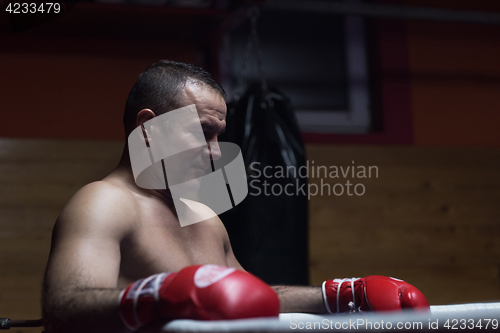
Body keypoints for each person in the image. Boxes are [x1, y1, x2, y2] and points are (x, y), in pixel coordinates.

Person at [42, 61, 429, 333]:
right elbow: (64, 308)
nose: (215, 151)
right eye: (201, 131)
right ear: (149, 128)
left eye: (219, 135)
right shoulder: (106, 202)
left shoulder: (204, 217)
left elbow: (254, 298)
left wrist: (341, 295)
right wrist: (160, 294)